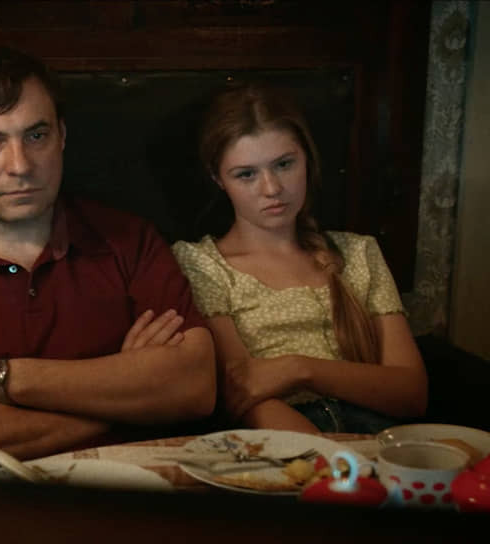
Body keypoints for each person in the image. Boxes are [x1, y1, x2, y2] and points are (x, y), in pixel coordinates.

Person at [0, 46, 215, 471]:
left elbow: (195, 387)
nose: (20, 165)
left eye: (36, 136)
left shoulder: (130, 240)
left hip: (134, 495)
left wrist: (7, 379)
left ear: (61, 137)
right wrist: (130, 398)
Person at [172, 83, 427, 434]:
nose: (272, 188)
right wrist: (322, 458)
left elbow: (412, 393)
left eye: (284, 164)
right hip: (283, 438)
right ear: (218, 179)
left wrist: (299, 369)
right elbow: (242, 390)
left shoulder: (358, 253)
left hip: (377, 433)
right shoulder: (203, 264)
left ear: (307, 159)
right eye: (246, 174)